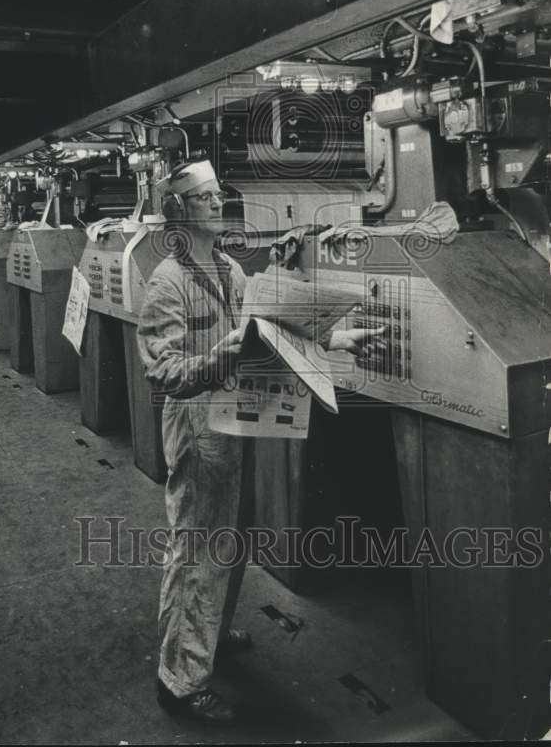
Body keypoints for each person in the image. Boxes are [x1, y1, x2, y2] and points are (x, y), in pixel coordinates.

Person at [137, 159, 383, 726]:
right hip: (197, 422)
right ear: (177, 212)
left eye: (217, 194)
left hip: (234, 419)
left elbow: (275, 326)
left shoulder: (227, 268)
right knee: (198, 548)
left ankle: (210, 637)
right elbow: (163, 372)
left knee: (231, 539)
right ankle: (181, 679)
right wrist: (219, 356)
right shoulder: (167, 282)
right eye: (202, 198)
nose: (217, 203)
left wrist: (340, 337)